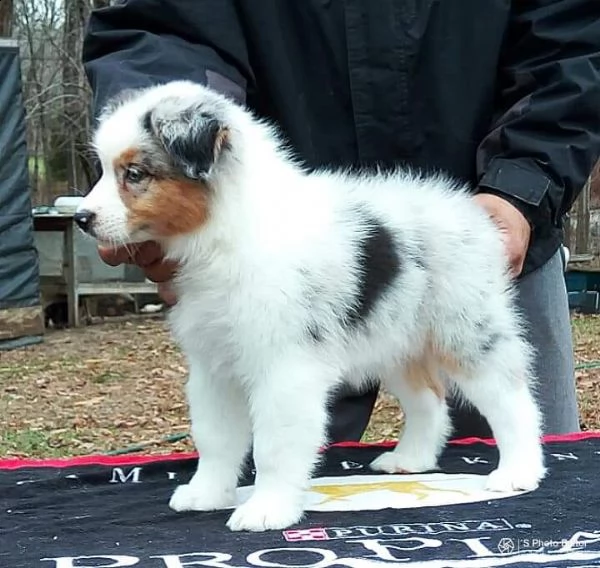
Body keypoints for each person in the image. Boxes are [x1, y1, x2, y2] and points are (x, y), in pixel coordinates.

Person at [81, 0, 600, 442]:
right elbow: (164, 24)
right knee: (271, 487)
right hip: (280, 249)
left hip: (488, 226)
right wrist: (157, 144)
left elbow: (572, 34)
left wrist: (524, 183)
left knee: (530, 476)